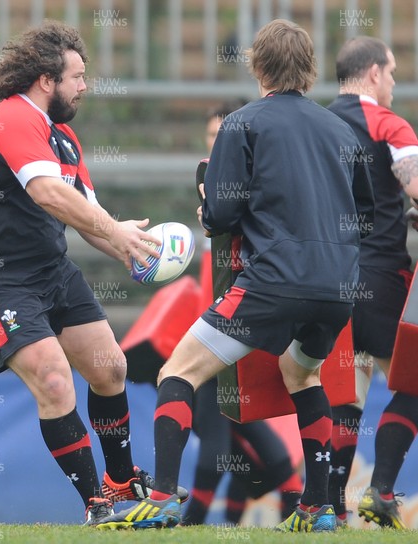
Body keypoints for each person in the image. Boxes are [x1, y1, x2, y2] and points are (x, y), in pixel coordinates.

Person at [97, 18, 374, 532]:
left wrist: (207, 209)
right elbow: (366, 215)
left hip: (271, 282)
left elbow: (221, 216)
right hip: (339, 289)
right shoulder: (341, 129)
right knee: (303, 374)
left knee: (176, 372)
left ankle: (160, 498)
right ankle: (317, 508)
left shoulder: (242, 123)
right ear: (310, 70)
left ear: (257, 66)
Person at [0, 20, 186, 525]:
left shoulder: (65, 139)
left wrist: (126, 245)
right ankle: (95, 506)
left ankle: (121, 480)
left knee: (111, 368)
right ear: (45, 79)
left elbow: (85, 213)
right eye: (77, 76)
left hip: (51, 271)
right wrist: (114, 232)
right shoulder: (13, 116)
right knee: (56, 381)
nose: (85, 85)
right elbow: (48, 195)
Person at [183, 104, 303, 526]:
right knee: (234, 447)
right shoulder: (208, 192)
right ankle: (213, 523)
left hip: (245, 324)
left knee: (256, 452)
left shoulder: (255, 194)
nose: (216, 144)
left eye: (223, 136)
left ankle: (195, 523)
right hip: (212, 331)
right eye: (211, 136)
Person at [326, 36, 418, 529]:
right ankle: (381, 491)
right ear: (373, 73)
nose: (395, 83)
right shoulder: (388, 124)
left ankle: (331, 505)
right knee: (413, 385)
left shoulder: (315, 123)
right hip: (382, 275)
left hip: (326, 280)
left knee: (347, 390)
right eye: (394, 72)